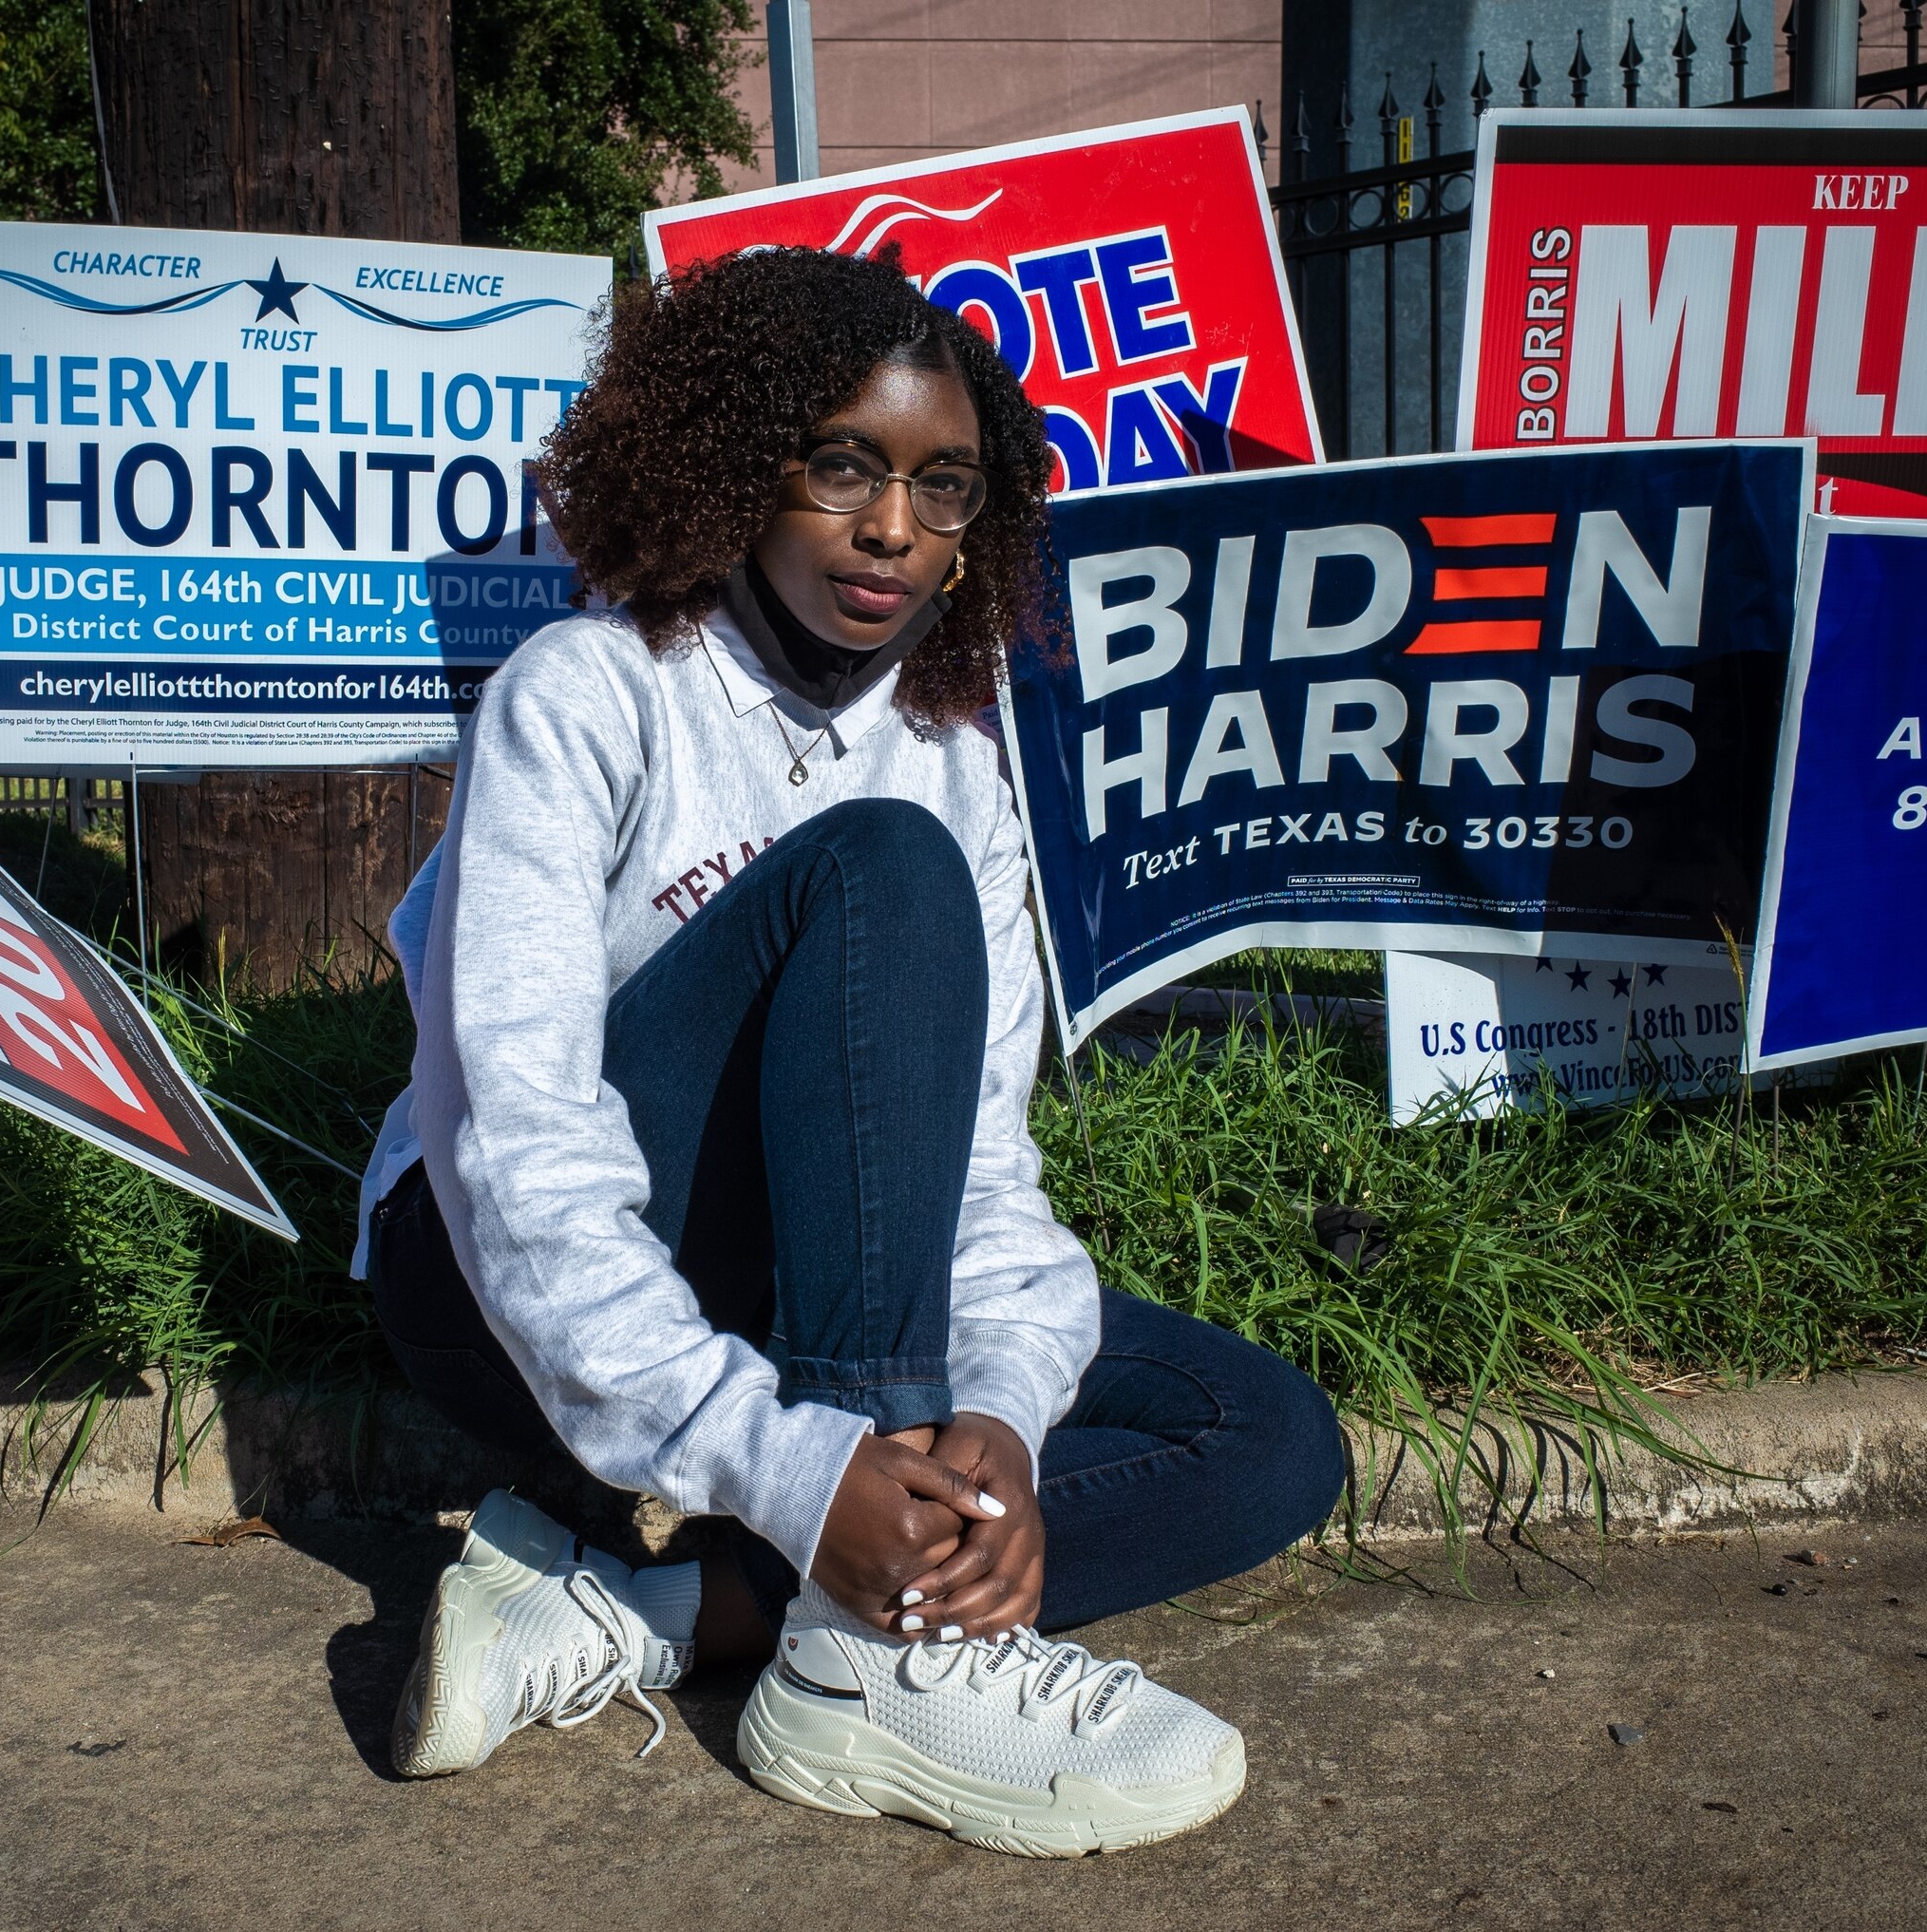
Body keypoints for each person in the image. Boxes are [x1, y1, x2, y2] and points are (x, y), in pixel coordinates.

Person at [350, 245, 1345, 1857]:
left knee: (1266, 1440)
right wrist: (807, 1468)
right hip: (494, 1279)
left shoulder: (956, 755)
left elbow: (978, 1175)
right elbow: (514, 1160)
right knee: (876, 866)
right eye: (843, 467)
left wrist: (1007, 1427)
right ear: (740, 470)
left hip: (801, 1275)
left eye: (943, 489)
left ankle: (663, 1615)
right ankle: (872, 1664)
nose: (891, 527)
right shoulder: (589, 693)